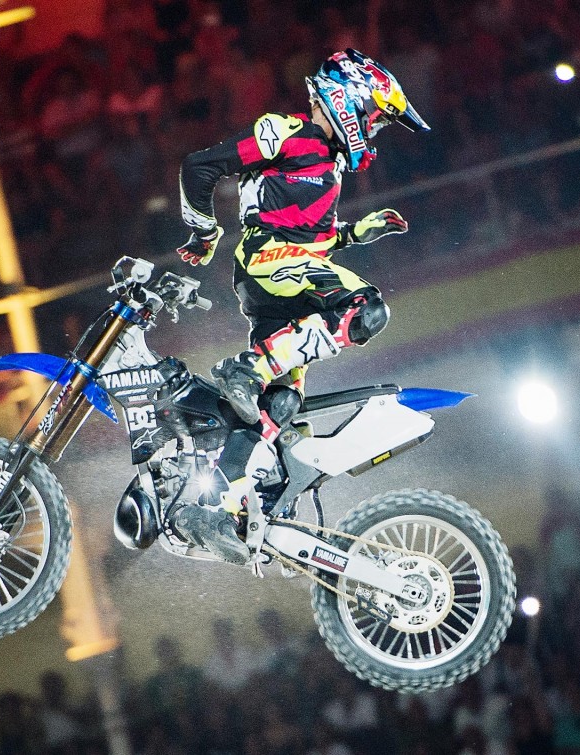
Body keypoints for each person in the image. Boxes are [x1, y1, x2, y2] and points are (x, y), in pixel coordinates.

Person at [170, 48, 428, 562]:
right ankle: (248, 367)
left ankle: (219, 509)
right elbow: (200, 166)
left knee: (277, 409)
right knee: (366, 309)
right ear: (350, 98)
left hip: (284, 277)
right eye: (375, 119)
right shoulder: (286, 132)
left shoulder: (329, 163)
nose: (373, 132)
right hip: (270, 260)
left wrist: (357, 232)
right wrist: (204, 230)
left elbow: (312, 237)